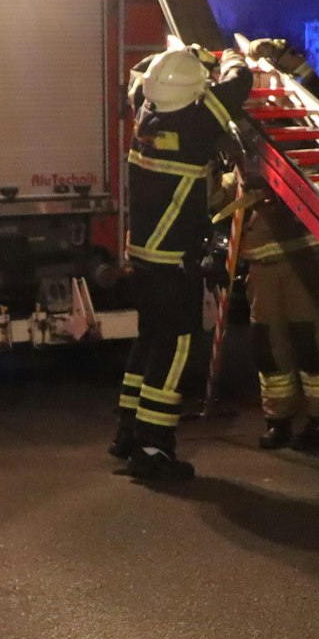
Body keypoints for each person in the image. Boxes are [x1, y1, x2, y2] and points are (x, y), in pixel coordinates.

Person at [111, 43, 252, 481]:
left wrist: (185, 54)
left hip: (145, 256)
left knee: (149, 341)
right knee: (174, 349)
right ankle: (153, 449)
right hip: (174, 260)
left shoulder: (145, 111)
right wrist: (229, 56)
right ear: (194, 92)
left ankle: (128, 433)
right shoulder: (196, 121)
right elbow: (239, 84)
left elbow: (140, 71)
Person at [234, 38, 319, 451]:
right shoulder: (246, 130)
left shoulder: (301, 124)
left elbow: (314, 89)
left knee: (307, 342)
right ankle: (278, 419)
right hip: (260, 262)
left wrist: (279, 58)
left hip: (300, 256)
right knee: (268, 347)